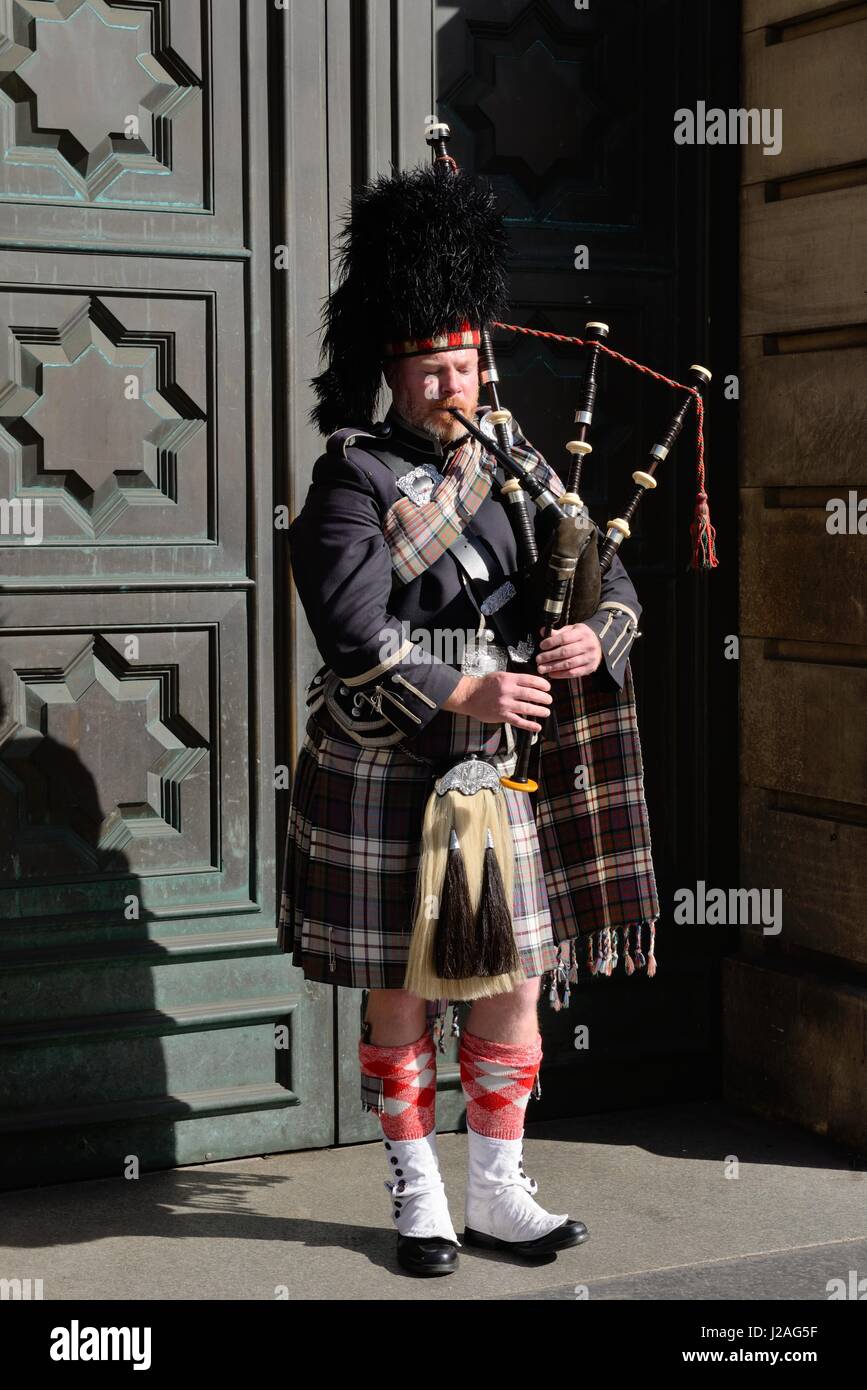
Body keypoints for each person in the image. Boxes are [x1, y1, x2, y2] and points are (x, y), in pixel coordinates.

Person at [277, 157, 658, 1277]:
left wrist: (601, 636)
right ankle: (420, 1196)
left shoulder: (517, 464)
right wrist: (462, 685)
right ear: (388, 372)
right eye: (431, 367)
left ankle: (497, 1189)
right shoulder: (349, 478)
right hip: (388, 766)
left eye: (464, 360)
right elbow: (353, 628)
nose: (453, 382)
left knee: (511, 984)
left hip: (495, 778)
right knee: (401, 990)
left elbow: (608, 575)